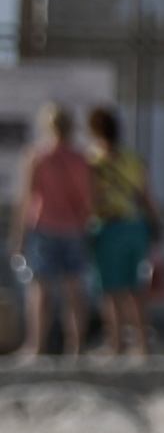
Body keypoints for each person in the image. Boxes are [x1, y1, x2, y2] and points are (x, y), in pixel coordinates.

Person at [13, 98, 93, 362]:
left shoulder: (38, 156)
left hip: (44, 226)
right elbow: (86, 199)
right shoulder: (81, 159)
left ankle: (36, 346)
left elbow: (26, 199)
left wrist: (18, 236)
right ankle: (76, 347)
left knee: (40, 290)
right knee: (74, 290)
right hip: (73, 228)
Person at [83, 102, 158, 359]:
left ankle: (115, 344)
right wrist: (155, 225)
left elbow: (92, 199)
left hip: (110, 227)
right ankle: (143, 345)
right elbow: (147, 197)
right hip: (136, 227)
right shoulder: (132, 158)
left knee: (111, 290)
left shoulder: (94, 161)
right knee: (135, 289)